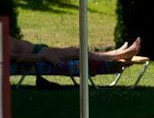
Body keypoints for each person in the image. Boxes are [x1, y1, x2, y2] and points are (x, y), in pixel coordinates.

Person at [10, 37, 143, 69]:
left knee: (77, 51)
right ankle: (120, 55)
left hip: (42, 51)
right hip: (42, 53)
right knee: (79, 53)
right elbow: (18, 58)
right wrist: (43, 56)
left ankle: (118, 53)